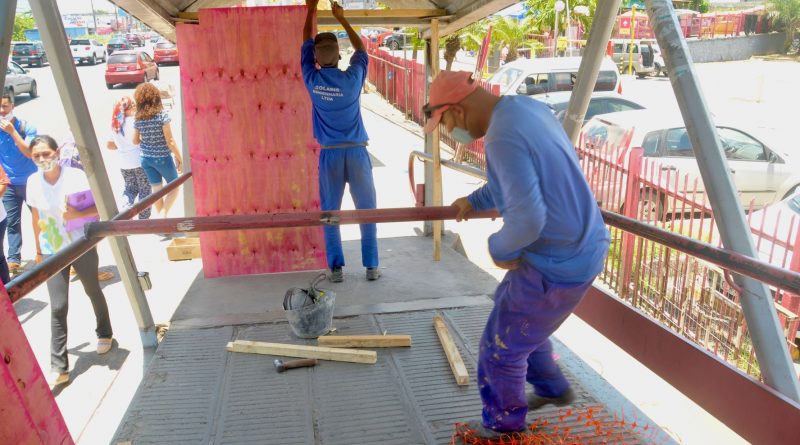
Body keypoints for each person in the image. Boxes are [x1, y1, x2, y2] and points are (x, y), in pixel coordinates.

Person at [423, 71, 610, 439]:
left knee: (499, 348)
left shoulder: (501, 138)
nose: (447, 133)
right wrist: (474, 201)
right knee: (516, 312)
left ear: (457, 111)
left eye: (443, 123)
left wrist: (497, 248)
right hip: (583, 246)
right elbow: (515, 182)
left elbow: (527, 217)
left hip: (557, 263)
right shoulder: (524, 110)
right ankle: (552, 386)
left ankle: (504, 428)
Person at [25, 135, 114, 387]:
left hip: (79, 245)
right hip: (52, 247)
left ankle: (105, 332)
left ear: (56, 152)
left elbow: (97, 210)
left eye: (46, 153)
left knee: (92, 290)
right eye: (37, 156)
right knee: (58, 306)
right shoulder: (33, 182)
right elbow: (35, 218)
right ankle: (59, 366)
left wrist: (75, 213)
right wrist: (39, 251)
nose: (42, 159)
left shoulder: (75, 176)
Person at [301, 0, 380, 283]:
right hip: (357, 154)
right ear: (339, 56)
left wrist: (311, 10)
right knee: (367, 210)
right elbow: (361, 50)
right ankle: (371, 266)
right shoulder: (353, 79)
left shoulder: (312, 80)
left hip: (330, 155)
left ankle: (336, 269)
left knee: (330, 213)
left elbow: (305, 47)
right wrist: (341, 18)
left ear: (318, 60)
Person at [0, 92, 38, 275]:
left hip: (30, 182)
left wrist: (13, 132)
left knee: (41, 220)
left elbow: (29, 153)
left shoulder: (25, 127)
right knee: (12, 222)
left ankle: (49, 254)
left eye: (5, 106)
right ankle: (14, 259)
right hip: (10, 185)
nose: (1, 111)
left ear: (13, 106)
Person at [132, 83, 182, 219]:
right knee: (175, 187)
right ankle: (163, 216)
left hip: (145, 159)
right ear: (156, 97)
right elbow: (170, 140)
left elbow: (135, 141)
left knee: (157, 190)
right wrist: (180, 158)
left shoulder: (138, 118)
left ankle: (162, 223)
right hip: (162, 158)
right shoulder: (162, 115)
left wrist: (147, 139)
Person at [108, 96, 152, 219]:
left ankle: (124, 213)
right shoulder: (135, 121)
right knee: (145, 191)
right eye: (133, 105)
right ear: (127, 108)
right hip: (140, 162)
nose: (135, 106)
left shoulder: (115, 125)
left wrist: (123, 145)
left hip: (124, 164)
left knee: (130, 189)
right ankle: (143, 220)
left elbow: (109, 145)